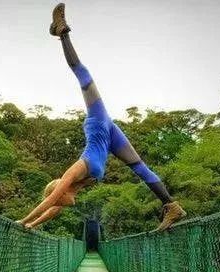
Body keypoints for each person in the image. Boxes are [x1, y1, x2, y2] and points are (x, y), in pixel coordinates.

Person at [20, 3, 186, 230]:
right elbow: (53, 209)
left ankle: (62, 31)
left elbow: (50, 201)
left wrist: (23, 221)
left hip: (98, 122)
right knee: (140, 167)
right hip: (110, 135)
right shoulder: (79, 186)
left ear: (60, 191)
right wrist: (33, 225)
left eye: (59, 198)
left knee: (83, 74)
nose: (61, 204)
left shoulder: (74, 173)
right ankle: (172, 206)